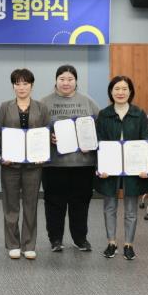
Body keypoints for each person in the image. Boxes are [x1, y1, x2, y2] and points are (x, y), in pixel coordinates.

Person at [41, 64, 100, 253]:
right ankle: (55, 239)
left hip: (83, 164)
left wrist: (91, 140)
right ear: (56, 80)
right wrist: (48, 137)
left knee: (80, 202)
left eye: (70, 79)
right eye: (62, 79)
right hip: (54, 164)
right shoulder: (44, 103)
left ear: (76, 81)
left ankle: (80, 239)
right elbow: (35, 131)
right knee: (54, 203)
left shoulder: (88, 102)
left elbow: (100, 128)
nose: (66, 83)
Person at [94, 76, 148, 261]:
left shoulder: (139, 114)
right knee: (109, 207)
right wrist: (100, 167)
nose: (120, 92)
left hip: (133, 170)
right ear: (111, 92)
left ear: (130, 92)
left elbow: (145, 140)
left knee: (131, 209)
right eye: (116, 89)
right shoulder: (104, 114)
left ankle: (129, 245)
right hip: (109, 169)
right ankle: (111, 242)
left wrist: (145, 166)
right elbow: (99, 142)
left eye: (124, 89)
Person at [0, 68, 50, 260]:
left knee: (31, 204)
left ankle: (28, 244)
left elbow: (46, 133)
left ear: (31, 86)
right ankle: (13, 244)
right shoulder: (5, 107)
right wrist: (3, 154)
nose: (21, 87)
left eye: (25, 83)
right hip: (10, 165)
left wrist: (43, 153)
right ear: (13, 86)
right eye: (17, 83)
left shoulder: (41, 107)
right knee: (10, 205)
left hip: (34, 166)